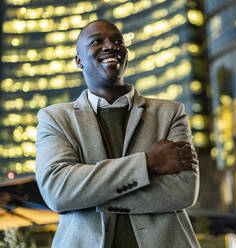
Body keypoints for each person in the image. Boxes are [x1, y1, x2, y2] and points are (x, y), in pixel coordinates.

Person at [35, 20, 200, 248]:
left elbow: (183, 191)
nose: (110, 46)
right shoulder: (55, 118)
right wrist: (148, 163)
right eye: (96, 41)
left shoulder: (171, 112)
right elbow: (58, 191)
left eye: (117, 41)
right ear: (78, 60)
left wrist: (90, 197)